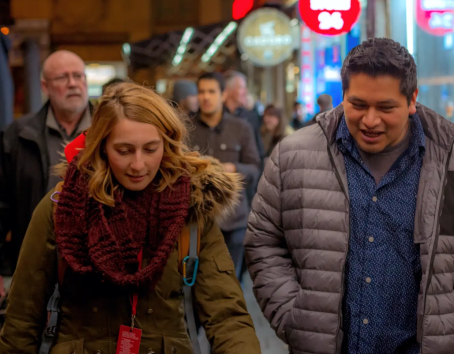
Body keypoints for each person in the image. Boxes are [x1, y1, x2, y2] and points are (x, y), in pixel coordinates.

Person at [245, 38, 454, 354]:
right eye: (358, 105)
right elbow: (264, 240)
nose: (370, 120)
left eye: (385, 107)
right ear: (343, 97)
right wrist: (294, 316)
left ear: (412, 100)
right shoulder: (293, 156)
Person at [0, 83, 261, 352]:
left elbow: (226, 315)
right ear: (101, 147)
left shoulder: (191, 207)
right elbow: (22, 318)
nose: (138, 165)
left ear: (167, 143)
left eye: (150, 149)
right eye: (124, 151)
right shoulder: (62, 207)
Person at [0, 50, 91, 276]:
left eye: (79, 76)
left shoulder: (109, 131)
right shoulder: (18, 135)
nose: (73, 84)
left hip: (96, 264)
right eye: (62, 77)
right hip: (35, 262)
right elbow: (2, 204)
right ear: (44, 86)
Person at [188, 72, 261, 280]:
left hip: (233, 221)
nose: (206, 97)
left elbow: (255, 168)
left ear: (223, 95)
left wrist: (233, 169)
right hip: (197, 220)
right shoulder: (187, 129)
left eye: (211, 91)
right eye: (202, 92)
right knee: (197, 284)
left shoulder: (241, 128)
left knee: (229, 283)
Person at [224, 71, 264, 168]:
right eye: (241, 87)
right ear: (228, 90)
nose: (246, 92)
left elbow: (259, 155)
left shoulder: (250, 117)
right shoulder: (218, 117)